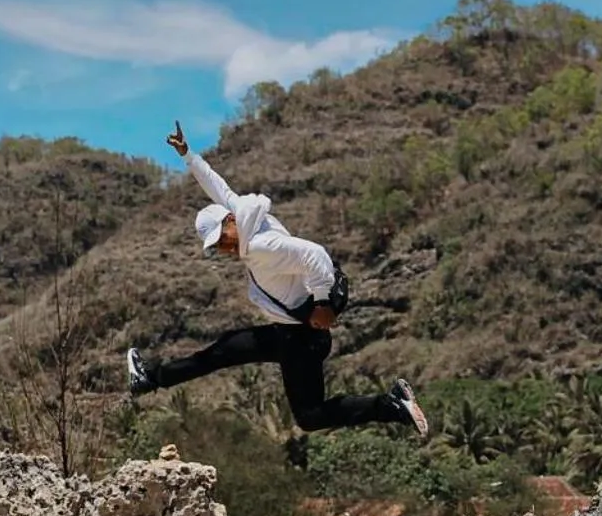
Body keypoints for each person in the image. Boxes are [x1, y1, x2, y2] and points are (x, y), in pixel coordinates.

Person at [127, 121, 429, 438]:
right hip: (285, 332)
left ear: (230, 222)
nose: (224, 247)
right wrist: (189, 156)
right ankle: (150, 378)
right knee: (221, 352)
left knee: (309, 416)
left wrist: (323, 303)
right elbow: (217, 187)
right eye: (217, 246)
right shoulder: (245, 217)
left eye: (222, 238)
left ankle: (391, 405)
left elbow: (314, 253)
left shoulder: (259, 246)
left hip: (301, 338)